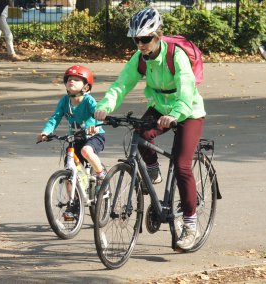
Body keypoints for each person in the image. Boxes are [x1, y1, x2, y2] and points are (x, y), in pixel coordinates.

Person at [94, 8, 206, 250]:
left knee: (182, 164)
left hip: (188, 110)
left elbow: (186, 89)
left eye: (145, 39)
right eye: (136, 40)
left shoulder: (176, 56)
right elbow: (121, 85)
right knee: (141, 135)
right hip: (159, 107)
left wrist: (175, 114)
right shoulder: (139, 58)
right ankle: (153, 172)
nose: (141, 44)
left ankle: (190, 225)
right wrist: (104, 106)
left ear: (158, 35)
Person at [37, 65, 106, 221]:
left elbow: (97, 112)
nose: (71, 82)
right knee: (71, 171)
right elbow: (55, 117)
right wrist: (45, 132)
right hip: (75, 139)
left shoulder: (89, 100)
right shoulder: (64, 101)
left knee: (86, 152)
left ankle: (102, 175)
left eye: (76, 80)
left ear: (86, 86)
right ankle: (73, 203)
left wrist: (93, 126)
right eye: (69, 79)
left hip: (94, 137)